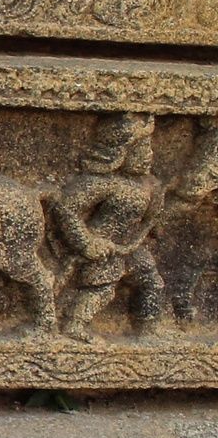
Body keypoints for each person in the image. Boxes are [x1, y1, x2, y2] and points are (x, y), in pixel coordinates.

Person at [53, 112, 169, 340]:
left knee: (151, 281)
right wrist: (86, 243)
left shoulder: (148, 185)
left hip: (130, 246)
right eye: (140, 150)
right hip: (104, 246)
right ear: (118, 153)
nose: (148, 156)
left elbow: (152, 221)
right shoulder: (106, 183)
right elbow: (65, 207)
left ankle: (148, 331)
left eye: (149, 149)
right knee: (102, 289)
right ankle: (73, 326)